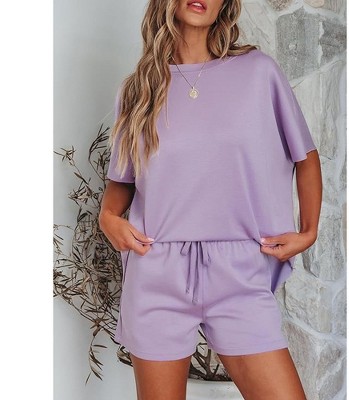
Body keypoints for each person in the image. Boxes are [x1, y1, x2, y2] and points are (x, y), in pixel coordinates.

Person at [99, 0, 322, 399]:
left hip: (239, 271)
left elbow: (305, 157)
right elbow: (123, 180)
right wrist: (108, 216)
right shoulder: (137, 90)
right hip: (158, 270)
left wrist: (309, 231)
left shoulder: (258, 73)